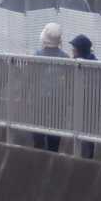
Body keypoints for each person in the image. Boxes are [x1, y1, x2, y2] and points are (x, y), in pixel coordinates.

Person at [32, 22, 67, 152]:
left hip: (39, 99)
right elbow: (70, 83)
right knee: (55, 128)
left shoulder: (37, 55)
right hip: (58, 100)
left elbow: (29, 78)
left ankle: (39, 153)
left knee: (38, 127)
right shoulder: (65, 58)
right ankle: (53, 153)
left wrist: (24, 95)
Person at [69, 33, 98, 159]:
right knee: (83, 133)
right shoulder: (85, 62)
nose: (72, 51)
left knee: (87, 133)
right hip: (85, 105)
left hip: (89, 105)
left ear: (80, 50)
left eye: (74, 48)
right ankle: (83, 157)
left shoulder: (91, 65)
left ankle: (85, 159)